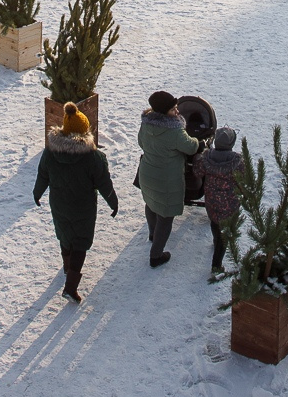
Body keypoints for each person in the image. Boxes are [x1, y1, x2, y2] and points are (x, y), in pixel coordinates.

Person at [33, 102, 118, 302]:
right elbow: (104, 183)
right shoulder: (93, 157)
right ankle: (70, 287)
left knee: (64, 234)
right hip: (83, 208)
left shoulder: (50, 152)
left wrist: (37, 193)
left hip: (59, 204)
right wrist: (113, 202)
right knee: (80, 241)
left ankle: (66, 266)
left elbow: (42, 176)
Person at [137, 90, 200, 268]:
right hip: (166, 180)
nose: (177, 111)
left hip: (148, 175)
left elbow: (141, 142)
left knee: (150, 204)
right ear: (164, 111)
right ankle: (156, 256)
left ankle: (152, 234)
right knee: (166, 215)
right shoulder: (175, 131)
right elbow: (190, 147)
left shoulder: (146, 124)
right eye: (173, 109)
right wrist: (198, 142)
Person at [194, 127, 242, 276]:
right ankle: (216, 264)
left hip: (212, 201)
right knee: (225, 234)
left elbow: (197, 171)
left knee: (215, 223)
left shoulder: (206, 158)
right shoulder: (238, 162)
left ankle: (216, 240)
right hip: (231, 203)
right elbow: (245, 180)